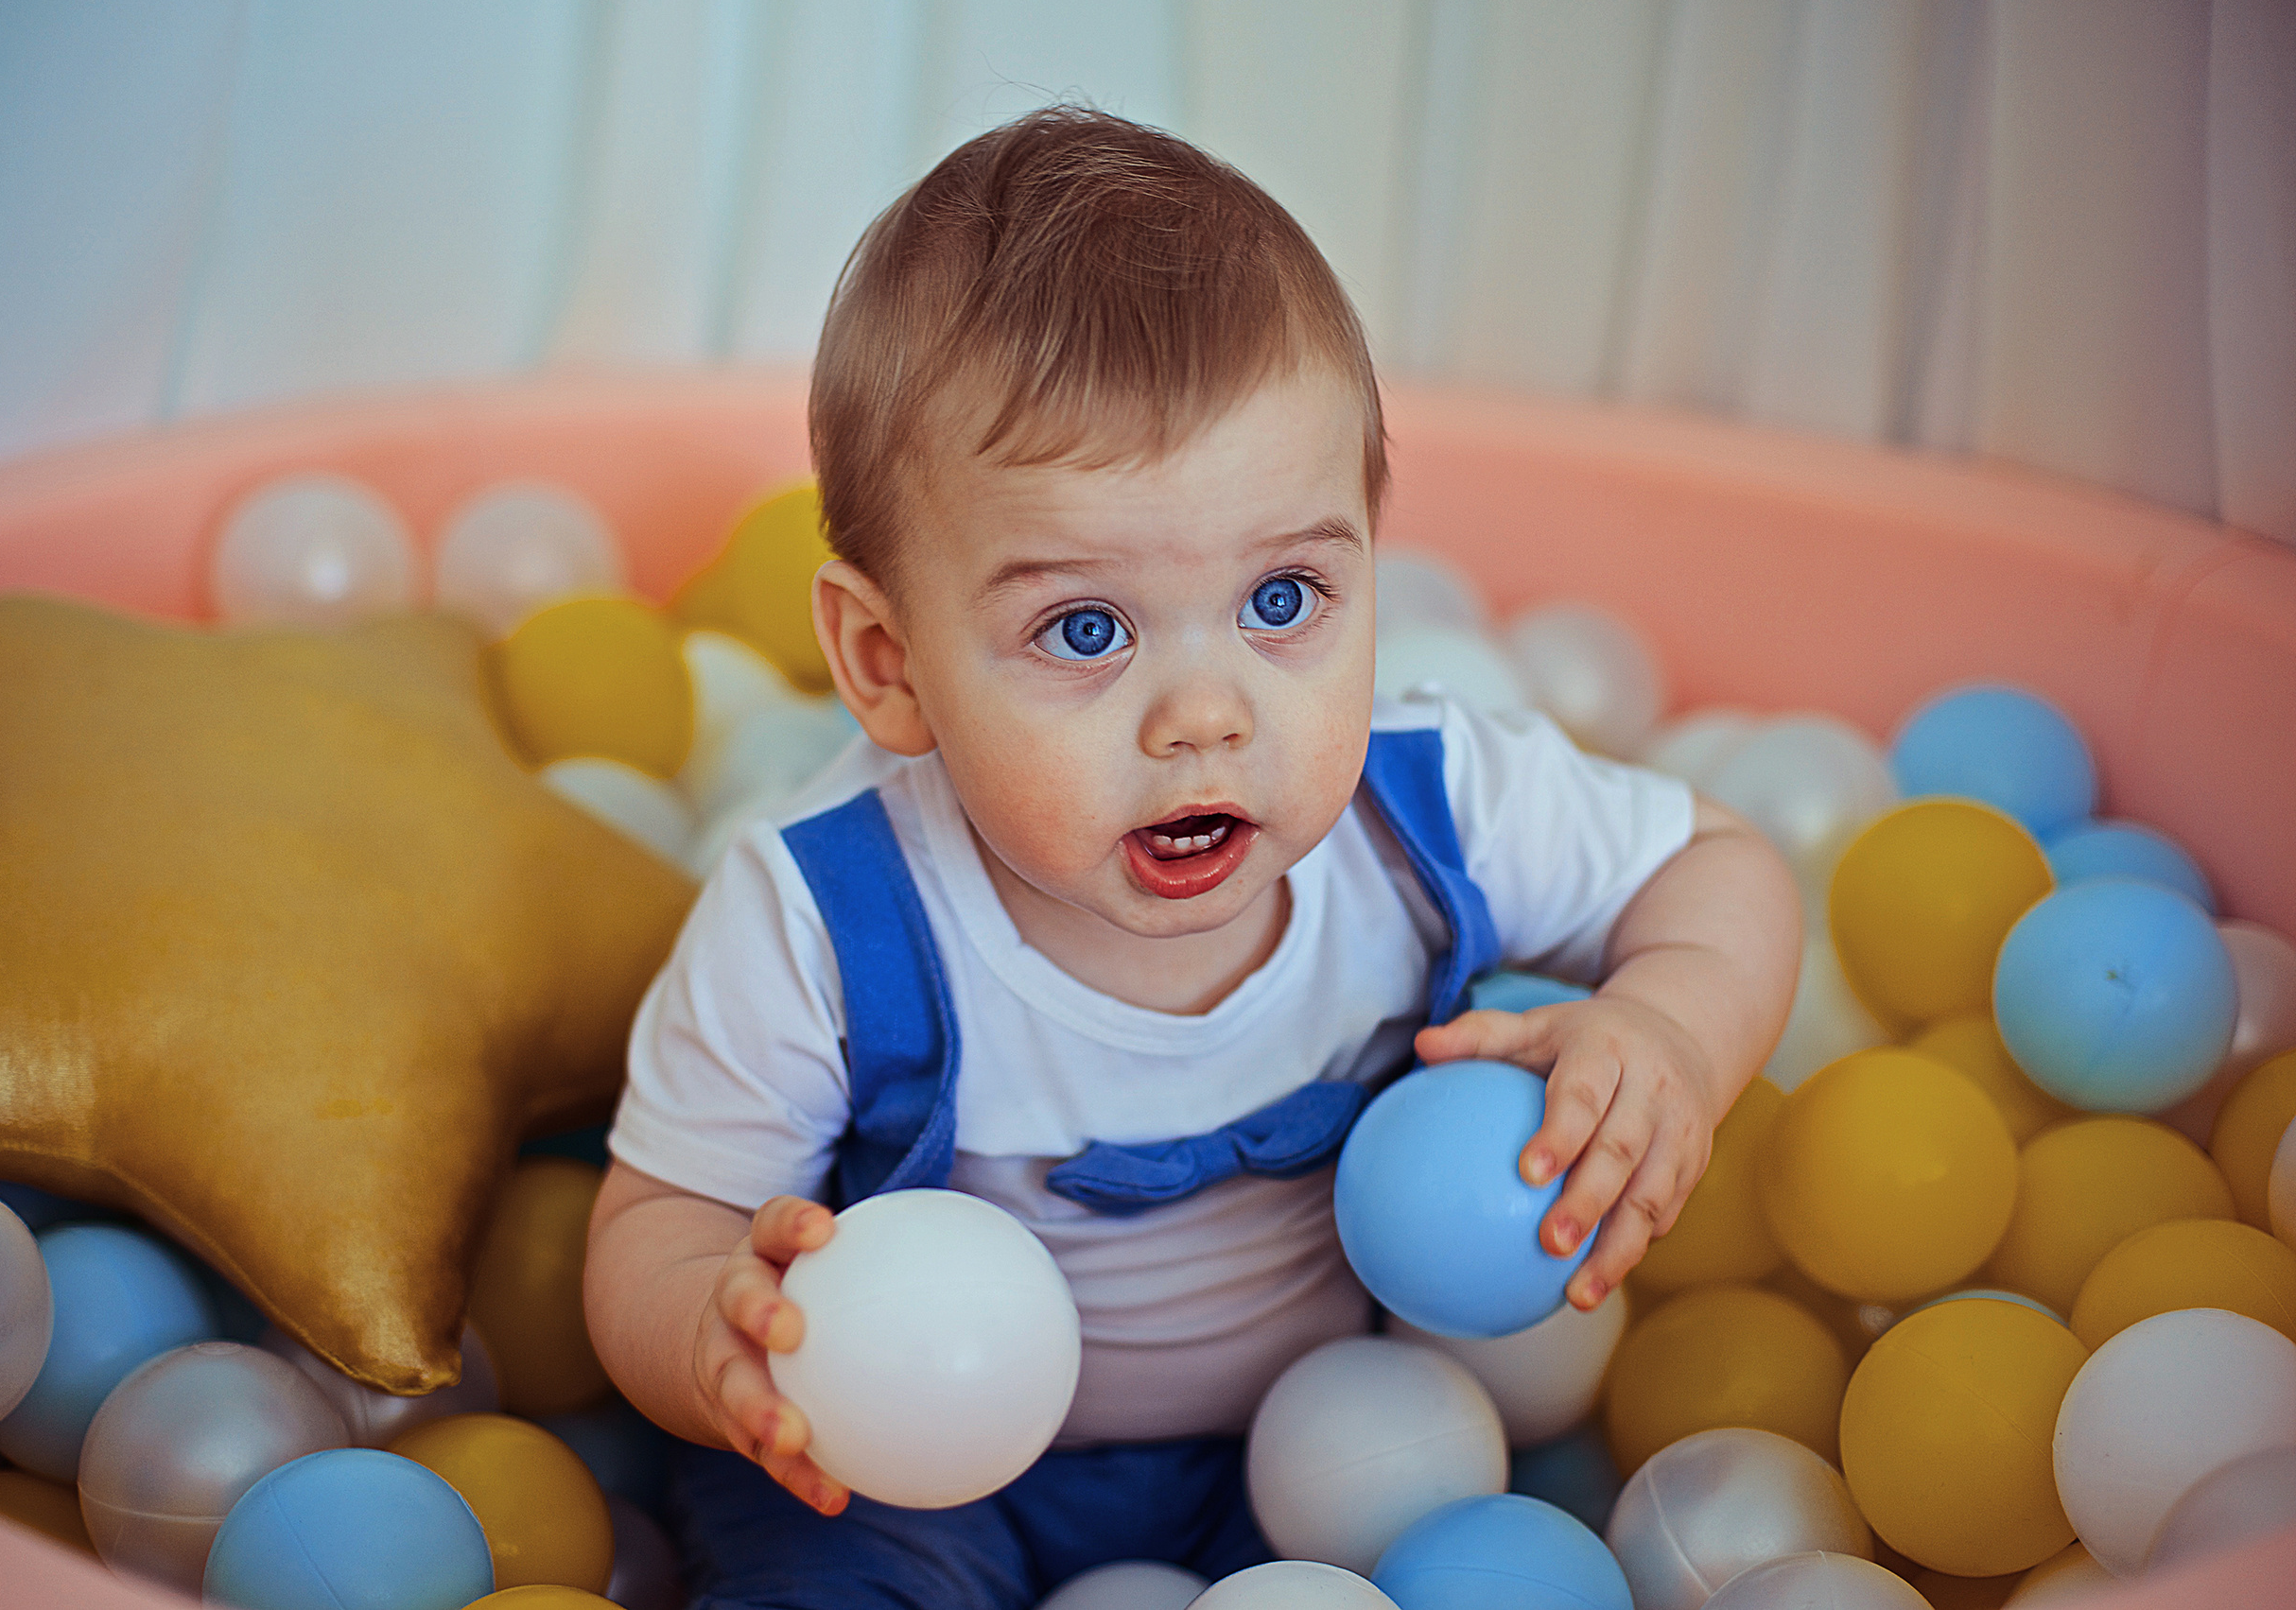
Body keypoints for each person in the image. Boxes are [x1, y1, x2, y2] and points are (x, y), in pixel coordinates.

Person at [583, 106, 1801, 1607]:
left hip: (1335, 1458)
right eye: (1085, 631)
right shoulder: (821, 918)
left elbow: (1722, 864)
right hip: (887, 1482)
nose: (1210, 715)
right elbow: (657, 1221)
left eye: (1285, 599)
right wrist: (715, 1329)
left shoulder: (1426, 808)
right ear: (889, 662)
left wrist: (1672, 1020)